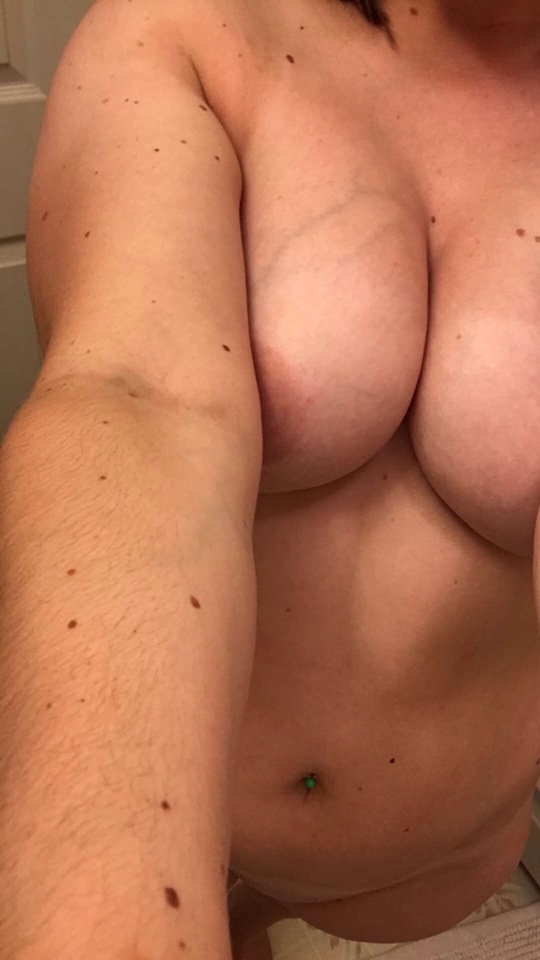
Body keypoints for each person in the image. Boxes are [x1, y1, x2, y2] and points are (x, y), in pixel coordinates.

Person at [1, 0, 539, 958]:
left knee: (262, 924)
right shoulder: (195, 28)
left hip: (439, 862)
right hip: (164, 806)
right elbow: (137, 402)